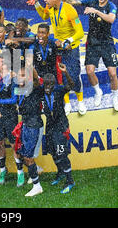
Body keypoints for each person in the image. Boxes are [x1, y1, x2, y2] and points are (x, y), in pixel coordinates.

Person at [62, 0, 118, 111]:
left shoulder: (111, 6)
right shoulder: (92, 1)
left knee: (112, 73)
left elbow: (111, 19)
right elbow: (74, 2)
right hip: (92, 43)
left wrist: (95, 11)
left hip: (107, 44)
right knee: (89, 71)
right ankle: (98, 92)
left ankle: (115, 97)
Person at [31, 0, 86, 116]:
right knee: (59, 75)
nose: (45, 0)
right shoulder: (50, 8)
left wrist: (68, 41)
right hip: (58, 46)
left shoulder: (69, 10)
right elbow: (44, 15)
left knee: (73, 74)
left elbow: (80, 32)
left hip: (71, 47)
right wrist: (36, 4)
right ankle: (67, 102)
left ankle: (80, 100)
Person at [41, 65, 76, 194]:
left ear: (54, 85)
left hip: (61, 126)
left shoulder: (59, 91)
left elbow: (71, 85)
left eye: (50, 85)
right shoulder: (40, 91)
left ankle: (70, 181)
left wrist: (66, 72)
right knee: (52, 151)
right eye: (46, 85)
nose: (47, 88)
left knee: (62, 153)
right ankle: (60, 173)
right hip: (50, 125)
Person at [13, 65, 45, 196]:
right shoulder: (19, 90)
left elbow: (37, 81)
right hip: (26, 125)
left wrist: (31, 68)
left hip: (34, 125)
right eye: (18, 75)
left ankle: (37, 186)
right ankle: (36, 170)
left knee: (27, 157)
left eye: (23, 75)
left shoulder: (33, 88)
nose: (19, 78)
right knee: (21, 154)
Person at [0, 55, 20, 185]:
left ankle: (20, 172)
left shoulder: (14, 79)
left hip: (10, 116)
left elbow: (14, 100)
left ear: (5, 65)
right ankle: (2, 170)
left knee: (14, 145)